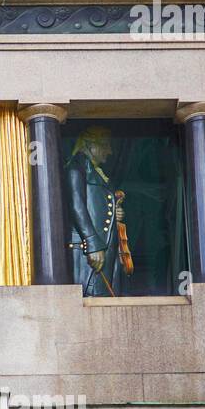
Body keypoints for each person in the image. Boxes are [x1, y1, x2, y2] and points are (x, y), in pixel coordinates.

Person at [66, 126, 132, 297]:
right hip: (89, 253)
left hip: (104, 253)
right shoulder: (76, 167)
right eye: (104, 145)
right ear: (89, 145)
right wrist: (92, 244)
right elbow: (76, 205)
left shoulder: (96, 172)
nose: (109, 151)